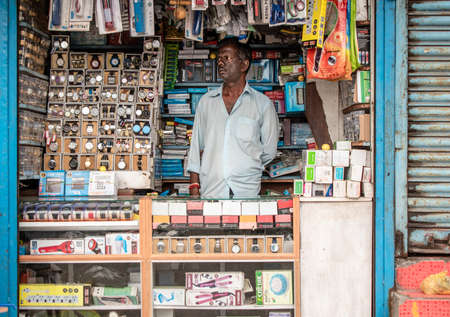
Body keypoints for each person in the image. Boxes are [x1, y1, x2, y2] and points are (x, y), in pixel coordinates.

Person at [186, 37, 279, 198]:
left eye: (226, 58)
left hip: (246, 192)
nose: (220, 63)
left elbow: (269, 152)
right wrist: (194, 188)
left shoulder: (262, 104)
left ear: (244, 64)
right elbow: (195, 147)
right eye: (219, 59)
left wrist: (247, 167)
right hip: (212, 192)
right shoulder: (206, 102)